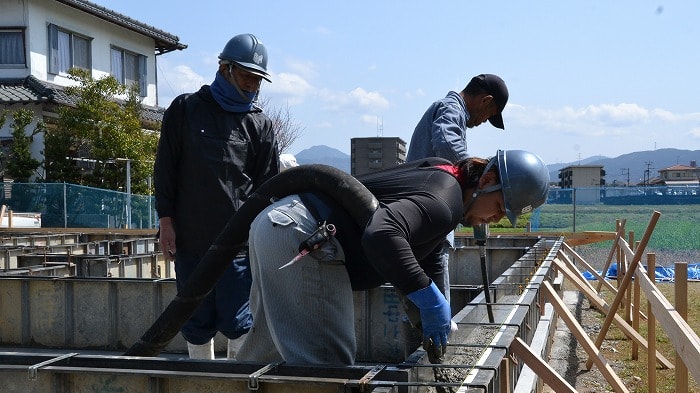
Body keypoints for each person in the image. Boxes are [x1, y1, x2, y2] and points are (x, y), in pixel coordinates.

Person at [235, 149, 549, 366]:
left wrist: (429, 304)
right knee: (326, 365)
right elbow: (382, 233)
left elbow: (420, 250)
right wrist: (429, 298)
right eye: (498, 209)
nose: (493, 220)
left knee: (267, 351)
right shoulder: (445, 204)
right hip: (306, 239)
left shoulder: (442, 173)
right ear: (486, 181)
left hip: (276, 223)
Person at [154, 33, 279, 360]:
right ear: (225, 68)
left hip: (237, 247)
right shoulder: (185, 110)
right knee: (195, 318)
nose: (253, 85)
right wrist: (166, 222)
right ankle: (203, 384)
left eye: (257, 79)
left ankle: (236, 388)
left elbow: (269, 188)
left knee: (239, 321)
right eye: (247, 76)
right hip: (190, 241)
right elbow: (165, 170)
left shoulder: (259, 125)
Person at [406, 74, 509, 302]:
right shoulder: (451, 108)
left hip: (426, 220)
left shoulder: (450, 111)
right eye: (489, 115)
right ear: (485, 100)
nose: (483, 121)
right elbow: (446, 142)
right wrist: (474, 175)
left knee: (425, 304)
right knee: (436, 305)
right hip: (429, 219)